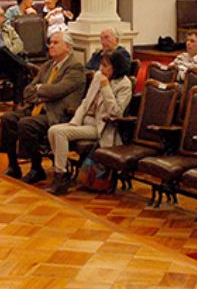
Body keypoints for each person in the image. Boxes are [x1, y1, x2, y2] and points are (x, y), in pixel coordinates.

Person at [0, 32, 85, 182]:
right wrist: (41, 91)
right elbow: (28, 91)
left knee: (26, 124)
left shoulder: (75, 67)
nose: (51, 46)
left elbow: (58, 90)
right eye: (50, 42)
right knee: (8, 118)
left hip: (58, 113)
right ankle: (13, 165)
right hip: (37, 108)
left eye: (56, 43)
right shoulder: (47, 66)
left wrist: (39, 90)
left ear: (68, 47)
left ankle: (36, 167)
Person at [45, 50, 132, 195]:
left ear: (116, 67)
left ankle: (61, 177)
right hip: (85, 121)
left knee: (60, 133)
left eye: (106, 66)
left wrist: (106, 88)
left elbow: (115, 112)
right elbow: (86, 102)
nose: (102, 69)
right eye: (101, 65)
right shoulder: (99, 76)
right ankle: (63, 170)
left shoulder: (124, 85)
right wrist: (74, 122)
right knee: (53, 130)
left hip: (101, 126)